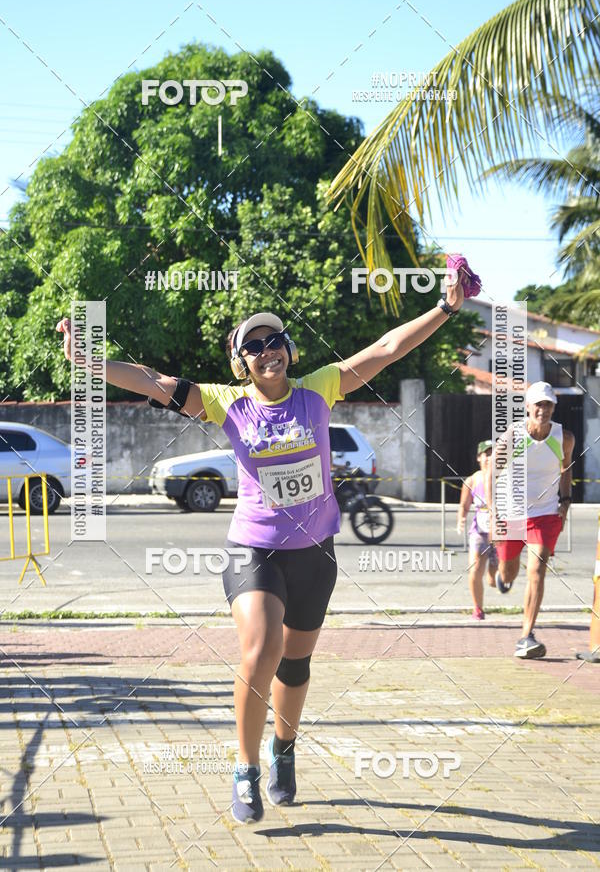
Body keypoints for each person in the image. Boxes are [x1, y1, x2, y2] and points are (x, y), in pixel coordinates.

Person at [56, 272, 466, 823]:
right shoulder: (228, 404)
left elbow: (387, 349)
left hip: (316, 552)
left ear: (288, 351)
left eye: (274, 341)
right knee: (261, 651)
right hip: (255, 550)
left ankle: (284, 750)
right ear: (240, 363)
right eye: (253, 346)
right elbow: (153, 380)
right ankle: (245, 770)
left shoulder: (320, 388)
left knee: (295, 666)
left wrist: (445, 307)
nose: (266, 351)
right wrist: (89, 363)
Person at [486, 381, 574, 659]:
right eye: (538, 404)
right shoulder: (512, 436)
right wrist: (492, 511)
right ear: (527, 407)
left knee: (537, 569)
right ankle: (501, 575)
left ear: (553, 408)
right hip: (512, 514)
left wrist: (566, 500)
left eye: (548, 404)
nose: (543, 410)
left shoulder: (564, 437)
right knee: (509, 572)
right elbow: (492, 474)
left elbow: (566, 468)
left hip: (546, 514)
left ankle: (526, 636)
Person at [457, 439, 498, 620]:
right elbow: (464, 504)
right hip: (479, 529)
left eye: (493, 454)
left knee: (494, 577)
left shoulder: (504, 477)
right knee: (475, 567)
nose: (490, 458)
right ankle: (478, 609)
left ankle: (494, 571)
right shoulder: (472, 480)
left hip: (500, 530)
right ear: (479, 458)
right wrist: (461, 519)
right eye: (486, 454)